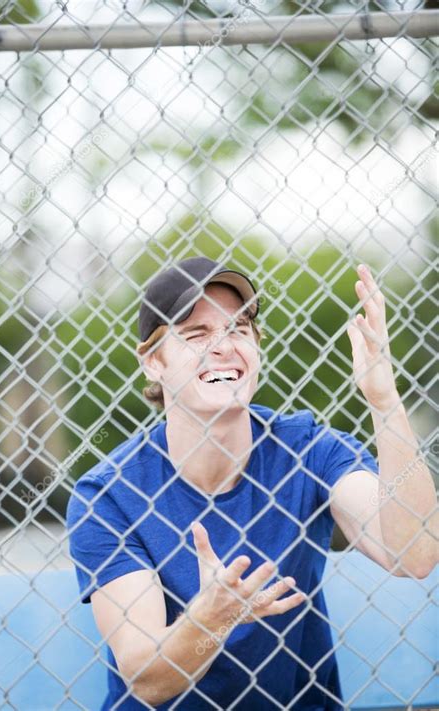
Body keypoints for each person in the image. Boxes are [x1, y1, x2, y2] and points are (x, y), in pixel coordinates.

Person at [66, 256, 437, 710]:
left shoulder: (307, 448)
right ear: (152, 362)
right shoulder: (109, 495)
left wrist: (384, 400)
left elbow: (414, 554)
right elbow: (147, 679)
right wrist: (212, 619)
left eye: (239, 328)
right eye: (196, 334)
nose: (223, 346)